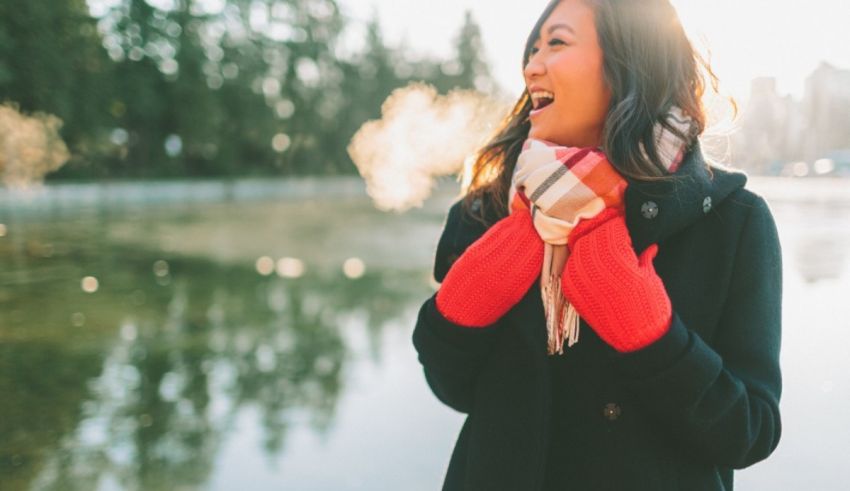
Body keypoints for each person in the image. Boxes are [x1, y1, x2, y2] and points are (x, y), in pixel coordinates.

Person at [411, 0, 783, 490]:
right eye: (532, 48)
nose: (531, 66)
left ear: (629, 61)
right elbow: (454, 388)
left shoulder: (734, 222)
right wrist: (464, 305)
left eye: (557, 42)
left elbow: (749, 432)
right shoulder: (490, 210)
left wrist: (651, 335)